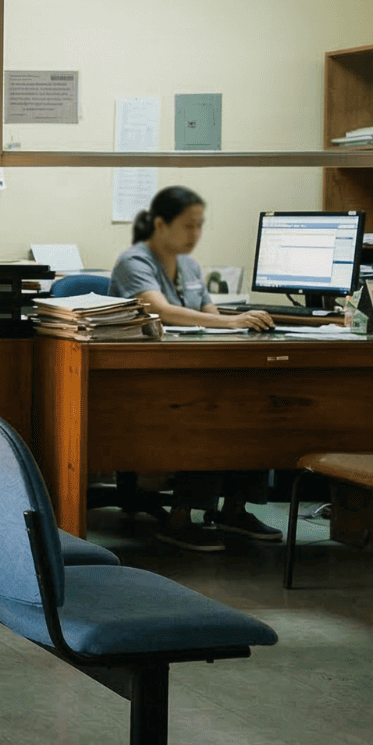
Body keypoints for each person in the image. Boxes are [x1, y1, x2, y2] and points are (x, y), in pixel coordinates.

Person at [109, 185, 282, 551]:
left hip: (191, 368)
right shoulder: (134, 262)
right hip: (143, 378)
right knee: (205, 411)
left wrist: (239, 325)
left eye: (200, 225)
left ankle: (234, 510)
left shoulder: (189, 265)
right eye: (188, 225)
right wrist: (232, 321)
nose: (195, 234)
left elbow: (209, 315)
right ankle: (180, 517)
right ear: (160, 224)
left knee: (251, 403)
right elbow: (160, 310)